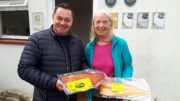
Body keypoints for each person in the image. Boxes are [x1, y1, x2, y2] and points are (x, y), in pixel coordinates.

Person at [18, 3, 87, 101]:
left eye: (67, 20)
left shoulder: (77, 42)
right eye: (59, 18)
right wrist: (53, 82)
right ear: (53, 18)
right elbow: (24, 69)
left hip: (71, 98)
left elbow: (82, 63)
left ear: (72, 21)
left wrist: (90, 74)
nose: (63, 23)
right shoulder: (37, 39)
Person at [85, 10, 133, 101]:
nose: (101, 25)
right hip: (96, 93)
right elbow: (87, 69)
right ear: (93, 25)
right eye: (98, 22)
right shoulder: (89, 47)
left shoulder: (121, 44)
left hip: (114, 92)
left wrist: (123, 83)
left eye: (105, 22)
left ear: (110, 24)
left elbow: (128, 66)